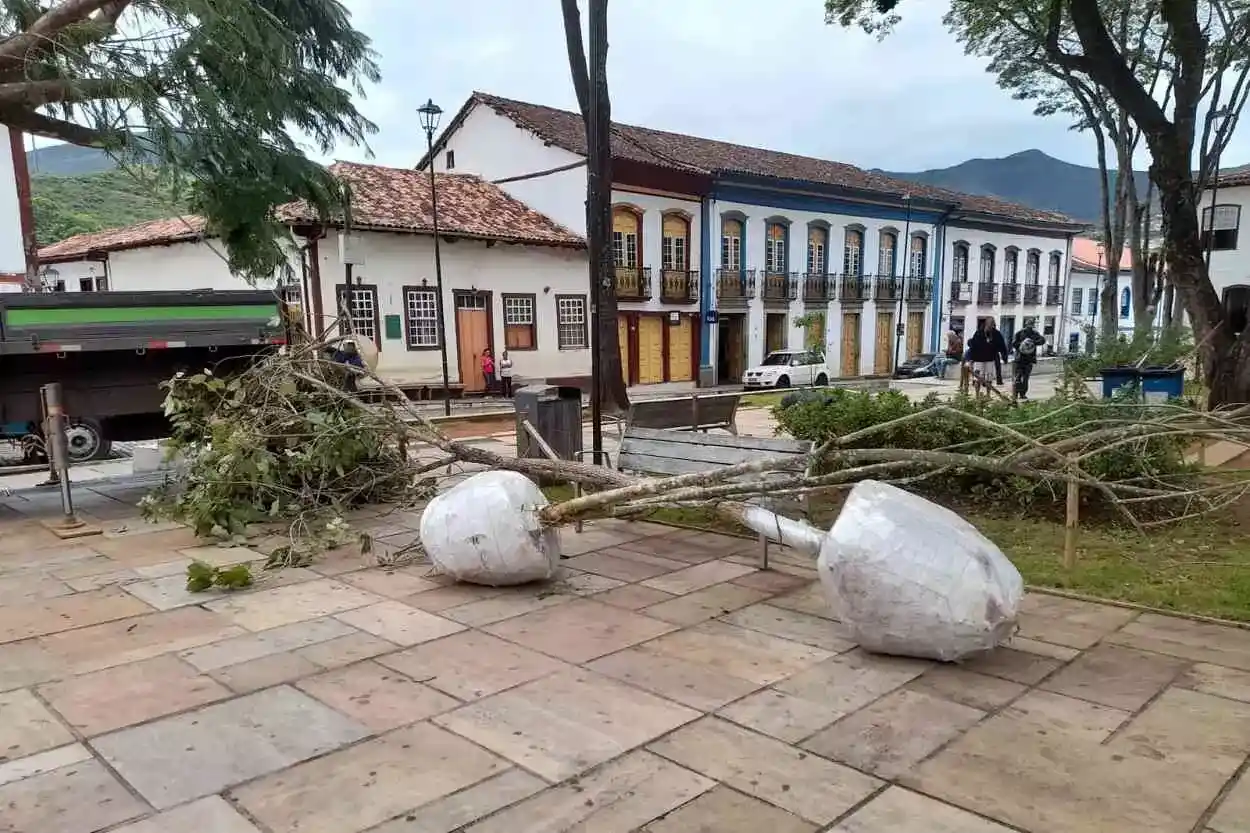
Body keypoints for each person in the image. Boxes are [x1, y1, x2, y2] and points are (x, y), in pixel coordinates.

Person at [966, 317, 1008, 396]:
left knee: (989, 377)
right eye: (989, 323)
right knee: (978, 377)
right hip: (979, 359)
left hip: (990, 358)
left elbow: (1002, 345)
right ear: (986, 323)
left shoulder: (996, 334)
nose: (990, 325)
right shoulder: (979, 333)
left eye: (992, 323)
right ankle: (977, 394)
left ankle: (988, 394)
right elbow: (973, 346)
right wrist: (971, 359)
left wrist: (1004, 356)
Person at [1011, 320, 1045, 400]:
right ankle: (1015, 394)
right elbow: (1013, 343)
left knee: (1026, 378)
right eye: (1028, 326)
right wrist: (1023, 344)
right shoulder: (1019, 333)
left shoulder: (1035, 333)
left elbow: (1042, 340)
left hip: (1029, 359)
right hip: (1019, 359)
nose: (1029, 327)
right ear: (1025, 325)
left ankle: (1023, 394)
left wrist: (1034, 342)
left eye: (1031, 326)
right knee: (1017, 378)